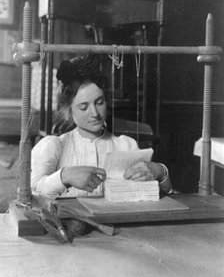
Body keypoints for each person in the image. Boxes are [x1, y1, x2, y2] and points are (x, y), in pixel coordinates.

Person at [31, 54, 172, 198]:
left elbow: (153, 195)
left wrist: (160, 171)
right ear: (69, 111)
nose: (95, 113)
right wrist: (64, 176)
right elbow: (32, 193)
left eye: (99, 102)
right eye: (84, 107)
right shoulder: (55, 147)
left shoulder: (126, 146)